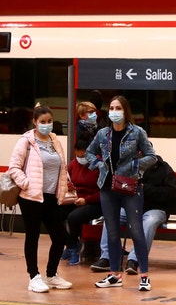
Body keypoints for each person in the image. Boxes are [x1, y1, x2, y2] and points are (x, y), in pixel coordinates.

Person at [86, 95, 157, 291]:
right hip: (108, 188)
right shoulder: (103, 134)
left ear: (125, 111)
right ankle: (114, 274)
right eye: (111, 108)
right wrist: (99, 164)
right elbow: (89, 153)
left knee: (136, 231)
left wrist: (134, 166)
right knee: (112, 232)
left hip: (130, 187)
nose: (114, 111)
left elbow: (152, 157)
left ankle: (144, 275)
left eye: (118, 108)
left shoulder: (137, 132)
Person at [7, 103, 74, 293]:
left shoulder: (54, 140)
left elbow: (61, 165)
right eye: (43, 121)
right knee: (33, 236)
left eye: (50, 121)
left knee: (60, 236)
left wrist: (65, 183)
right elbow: (14, 168)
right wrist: (27, 184)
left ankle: (51, 275)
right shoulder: (26, 141)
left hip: (51, 197)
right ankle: (34, 276)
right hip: (31, 198)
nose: (47, 125)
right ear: (34, 122)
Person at [90, 154, 176, 275]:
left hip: (155, 209)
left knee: (149, 223)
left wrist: (144, 189)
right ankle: (107, 257)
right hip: (131, 206)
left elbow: (170, 194)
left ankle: (134, 260)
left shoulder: (165, 169)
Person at [60, 138, 102, 266]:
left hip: (94, 202)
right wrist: (69, 187)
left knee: (73, 217)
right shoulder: (73, 164)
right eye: (77, 155)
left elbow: (104, 193)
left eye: (83, 155)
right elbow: (67, 179)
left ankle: (73, 247)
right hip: (75, 199)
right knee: (54, 214)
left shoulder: (99, 166)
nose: (80, 158)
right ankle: (71, 244)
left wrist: (86, 200)